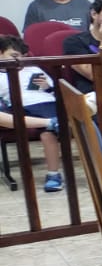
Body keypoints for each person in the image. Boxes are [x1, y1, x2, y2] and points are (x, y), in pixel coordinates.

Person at [0, 35, 65, 192]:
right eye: (13, 55)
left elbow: (55, 91)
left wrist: (47, 87)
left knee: (48, 134)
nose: (18, 60)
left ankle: (54, 175)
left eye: (21, 56)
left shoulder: (33, 69)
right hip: (15, 106)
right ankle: (51, 122)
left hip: (43, 103)